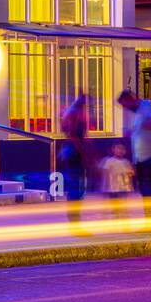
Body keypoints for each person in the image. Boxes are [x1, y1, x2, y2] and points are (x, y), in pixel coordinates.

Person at [118, 89, 151, 229]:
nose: (125, 108)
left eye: (125, 105)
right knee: (145, 189)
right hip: (141, 157)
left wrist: (139, 128)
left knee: (150, 189)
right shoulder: (137, 113)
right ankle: (150, 220)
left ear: (131, 99)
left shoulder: (148, 105)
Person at [58, 93, 90, 230]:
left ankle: (74, 217)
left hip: (73, 151)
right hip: (75, 151)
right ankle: (74, 218)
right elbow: (74, 134)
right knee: (77, 186)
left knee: (77, 185)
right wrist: (83, 152)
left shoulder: (73, 113)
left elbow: (66, 129)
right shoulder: (77, 114)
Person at [98, 140, 134, 218]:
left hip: (124, 186)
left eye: (122, 149)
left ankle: (122, 211)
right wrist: (105, 185)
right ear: (113, 149)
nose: (120, 151)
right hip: (112, 186)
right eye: (118, 148)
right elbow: (105, 172)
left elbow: (131, 172)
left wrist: (130, 174)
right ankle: (116, 211)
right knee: (114, 199)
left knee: (123, 199)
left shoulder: (126, 162)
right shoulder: (109, 161)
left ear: (125, 151)